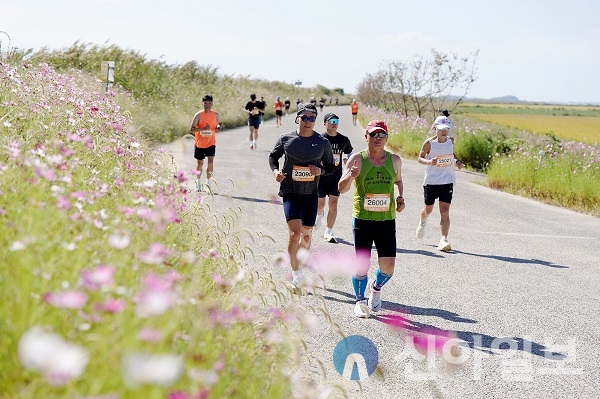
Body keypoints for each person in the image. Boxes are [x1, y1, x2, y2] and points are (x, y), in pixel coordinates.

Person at [338, 120, 405, 318]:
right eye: (373, 134)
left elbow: (398, 180)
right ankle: (359, 301)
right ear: (366, 136)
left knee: (388, 266)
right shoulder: (357, 159)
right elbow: (341, 189)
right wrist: (350, 175)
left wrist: (400, 197)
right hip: (363, 219)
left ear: (386, 138)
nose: (378, 138)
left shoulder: (395, 160)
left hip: (386, 220)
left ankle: (375, 288)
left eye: (382, 135)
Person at [268, 103, 335, 292]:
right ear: (297, 118)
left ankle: (302, 261)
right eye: (304, 117)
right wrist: (275, 172)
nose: (307, 121)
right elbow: (273, 157)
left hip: (311, 194)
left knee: (306, 236)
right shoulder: (286, 139)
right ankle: (296, 274)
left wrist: (320, 170)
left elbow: (331, 167)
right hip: (290, 191)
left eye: (311, 118)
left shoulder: (323, 142)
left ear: (315, 120)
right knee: (294, 233)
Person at [415, 121, 464, 252]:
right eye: (442, 129)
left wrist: (457, 161)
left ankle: (444, 239)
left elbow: (451, 153)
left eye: (446, 129)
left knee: (445, 211)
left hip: (447, 180)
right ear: (435, 128)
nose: (444, 131)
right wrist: (430, 162)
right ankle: (422, 221)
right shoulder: (429, 143)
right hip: (431, 181)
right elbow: (420, 158)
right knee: (428, 210)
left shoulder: (450, 141)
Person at [316, 113, 353, 243]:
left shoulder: (343, 140)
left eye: (336, 121)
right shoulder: (319, 139)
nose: (334, 123)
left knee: (333, 203)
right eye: (331, 121)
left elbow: (350, 152)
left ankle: (328, 231)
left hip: (336, 177)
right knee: (320, 205)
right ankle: (319, 215)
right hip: (321, 176)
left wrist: (347, 161)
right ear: (325, 123)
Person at [190, 94, 222, 192]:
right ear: (202, 104)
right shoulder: (198, 115)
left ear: (212, 104)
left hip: (211, 142)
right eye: (205, 103)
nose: (207, 105)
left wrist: (218, 128)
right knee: (200, 164)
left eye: (209, 103)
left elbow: (220, 123)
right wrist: (202, 129)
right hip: (199, 143)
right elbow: (192, 129)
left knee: (211, 162)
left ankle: (208, 184)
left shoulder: (216, 114)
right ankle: (198, 183)